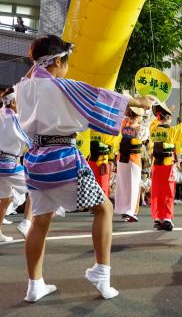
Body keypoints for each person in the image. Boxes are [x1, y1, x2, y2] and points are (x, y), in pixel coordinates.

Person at [16, 34, 153, 302]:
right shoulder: (63, 87)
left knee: (39, 221)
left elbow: (33, 74)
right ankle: (101, 273)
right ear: (56, 62)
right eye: (65, 62)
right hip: (63, 161)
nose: (67, 68)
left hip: (34, 163)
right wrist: (140, 102)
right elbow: (100, 96)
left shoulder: (22, 88)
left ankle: (35, 285)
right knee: (104, 209)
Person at [149, 102, 182, 231]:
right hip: (168, 165)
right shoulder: (172, 131)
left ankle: (158, 218)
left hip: (156, 165)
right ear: (168, 118)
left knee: (157, 192)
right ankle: (167, 218)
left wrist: (163, 112)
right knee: (168, 192)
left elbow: (154, 121)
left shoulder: (153, 130)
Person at [0, 88, 31, 242]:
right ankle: (27, 222)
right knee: (35, 187)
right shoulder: (17, 119)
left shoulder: (1, 114)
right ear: (13, 103)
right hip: (8, 164)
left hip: (2, 165)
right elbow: (30, 141)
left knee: (5, 199)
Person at [115, 104, 150, 222]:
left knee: (125, 185)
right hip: (130, 157)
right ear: (138, 116)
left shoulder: (125, 123)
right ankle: (129, 211)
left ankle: (127, 211)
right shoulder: (136, 126)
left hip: (125, 157)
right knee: (131, 185)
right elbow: (144, 137)